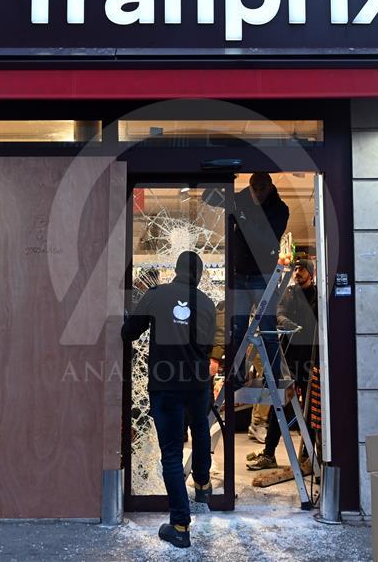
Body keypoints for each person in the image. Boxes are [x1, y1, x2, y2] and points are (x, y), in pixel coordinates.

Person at [121, 251, 217, 549]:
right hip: (198, 382)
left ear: (174, 270)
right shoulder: (208, 303)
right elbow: (208, 344)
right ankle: (201, 485)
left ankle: (179, 525)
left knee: (172, 453)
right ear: (199, 275)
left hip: (166, 384)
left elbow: (128, 333)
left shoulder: (156, 295)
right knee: (201, 428)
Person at [204, 173, 289, 443]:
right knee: (237, 328)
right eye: (254, 188)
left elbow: (264, 238)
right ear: (250, 186)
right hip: (240, 274)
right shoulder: (241, 198)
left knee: (266, 330)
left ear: (270, 187)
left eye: (262, 188)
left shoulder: (279, 208)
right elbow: (209, 197)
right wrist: (221, 181)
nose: (258, 193)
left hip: (263, 275)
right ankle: (238, 375)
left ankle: (272, 377)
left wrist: (240, 212)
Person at [247, 258, 318, 471]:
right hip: (288, 359)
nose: (297, 273)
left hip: (312, 358)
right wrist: (286, 322)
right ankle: (269, 453)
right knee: (279, 406)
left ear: (311, 273)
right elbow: (279, 313)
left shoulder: (317, 296)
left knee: (311, 409)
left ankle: (307, 455)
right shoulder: (290, 293)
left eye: (302, 269)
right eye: (295, 269)